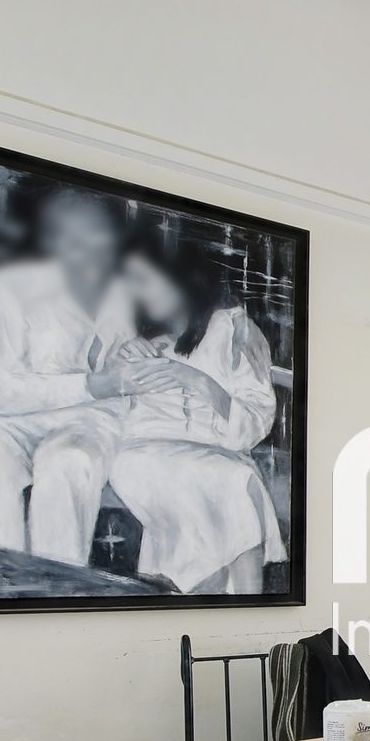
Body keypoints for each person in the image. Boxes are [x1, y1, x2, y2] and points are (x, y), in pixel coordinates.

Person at [0, 188, 154, 564]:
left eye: (99, 236)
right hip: (11, 419)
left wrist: (133, 352)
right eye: (73, 237)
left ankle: (57, 579)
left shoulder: (122, 291)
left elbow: (122, 361)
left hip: (91, 419)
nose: (88, 250)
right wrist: (90, 385)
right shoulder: (9, 289)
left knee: (67, 461)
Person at [107, 233, 286, 594]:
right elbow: (114, 409)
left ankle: (240, 600)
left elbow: (256, 422)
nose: (137, 293)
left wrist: (198, 381)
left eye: (144, 280)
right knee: (222, 479)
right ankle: (223, 596)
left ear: (180, 278)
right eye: (131, 283)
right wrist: (124, 364)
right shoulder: (136, 341)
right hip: (143, 451)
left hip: (217, 452)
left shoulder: (233, 331)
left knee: (235, 479)